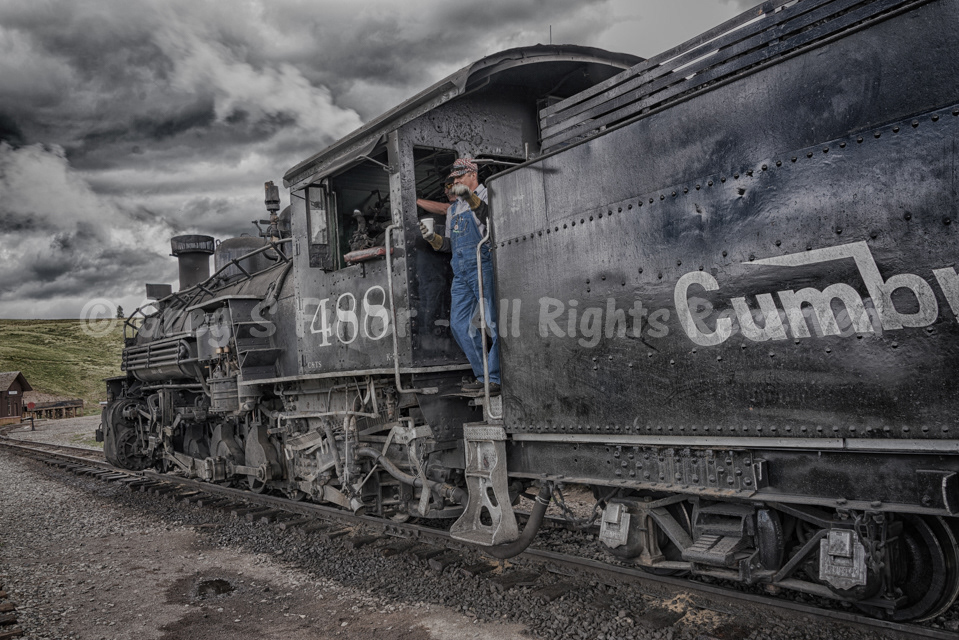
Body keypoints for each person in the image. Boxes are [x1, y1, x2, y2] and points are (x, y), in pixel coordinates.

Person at [418, 158, 500, 394]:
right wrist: (434, 240)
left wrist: (471, 198)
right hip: (461, 272)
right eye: (453, 179)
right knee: (459, 325)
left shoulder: (488, 194)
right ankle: (483, 376)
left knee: (494, 322)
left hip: (482, 264)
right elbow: (450, 245)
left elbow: (492, 222)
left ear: (472, 175)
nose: (454, 182)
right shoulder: (453, 209)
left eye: (458, 178)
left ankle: (495, 377)